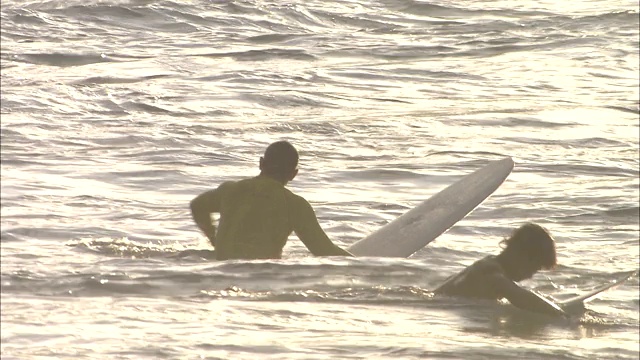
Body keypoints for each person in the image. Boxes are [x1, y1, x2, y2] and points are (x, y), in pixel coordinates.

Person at [190, 140, 354, 261]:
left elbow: (197, 206)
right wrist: (365, 264)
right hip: (261, 276)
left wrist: (214, 240)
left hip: (220, 271)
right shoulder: (294, 205)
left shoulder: (230, 190)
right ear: (293, 174)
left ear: (261, 163)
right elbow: (323, 250)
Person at [434, 223, 566, 317]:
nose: (531, 276)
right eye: (534, 269)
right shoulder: (492, 272)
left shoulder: (490, 264)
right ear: (521, 255)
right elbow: (519, 296)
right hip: (434, 310)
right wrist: (561, 316)